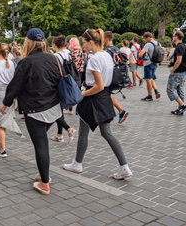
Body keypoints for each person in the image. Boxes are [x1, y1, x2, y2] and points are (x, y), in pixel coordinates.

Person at [63, 29, 132, 180]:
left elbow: (98, 85)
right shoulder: (107, 55)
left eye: (84, 42)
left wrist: (83, 94)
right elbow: (103, 85)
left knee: (84, 132)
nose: (83, 46)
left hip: (93, 97)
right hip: (104, 97)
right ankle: (124, 166)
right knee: (106, 133)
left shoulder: (94, 59)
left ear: (91, 42)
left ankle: (78, 163)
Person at [1, 28, 60, 195]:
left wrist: (6, 103)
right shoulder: (53, 58)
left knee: (41, 145)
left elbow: (15, 85)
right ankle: (43, 173)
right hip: (53, 107)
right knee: (42, 142)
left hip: (35, 109)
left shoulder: (26, 62)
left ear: (29, 42)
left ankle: (45, 182)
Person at [50, 35, 76, 143]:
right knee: (58, 109)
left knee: (54, 110)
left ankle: (68, 128)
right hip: (68, 83)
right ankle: (59, 135)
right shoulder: (68, 54)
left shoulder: (55, 56)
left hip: (58, 84)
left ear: (55, 45)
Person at [104, 31, 129, 123]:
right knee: (107, 95)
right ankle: (120, 111)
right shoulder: (116, 49)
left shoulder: (107, 50)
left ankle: (119, 111)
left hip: (109, 75)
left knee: (105, 94)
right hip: (116, 75)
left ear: (106, 39)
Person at [167, 31, 186, 115]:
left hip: (178, 72)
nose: (173, 37)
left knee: (170, 90)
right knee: (180, 91)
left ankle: (182, 106)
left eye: (173, 36)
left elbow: (178, 60)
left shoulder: (179, 47)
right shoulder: (184, 46)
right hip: (184, 72)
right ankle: (180, 110)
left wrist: (173, 70)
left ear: (176, 36)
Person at [139, 32, 161, 101]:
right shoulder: (158, 43)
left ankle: (149, 96)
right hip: (155, 63)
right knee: (151, 78)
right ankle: (156, 91)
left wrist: (140, 56)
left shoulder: (148, 44)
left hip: (148, 63)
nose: (145, 40)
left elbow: (141, 53)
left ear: (148, 37)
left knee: (148, 79)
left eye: (145, 38)